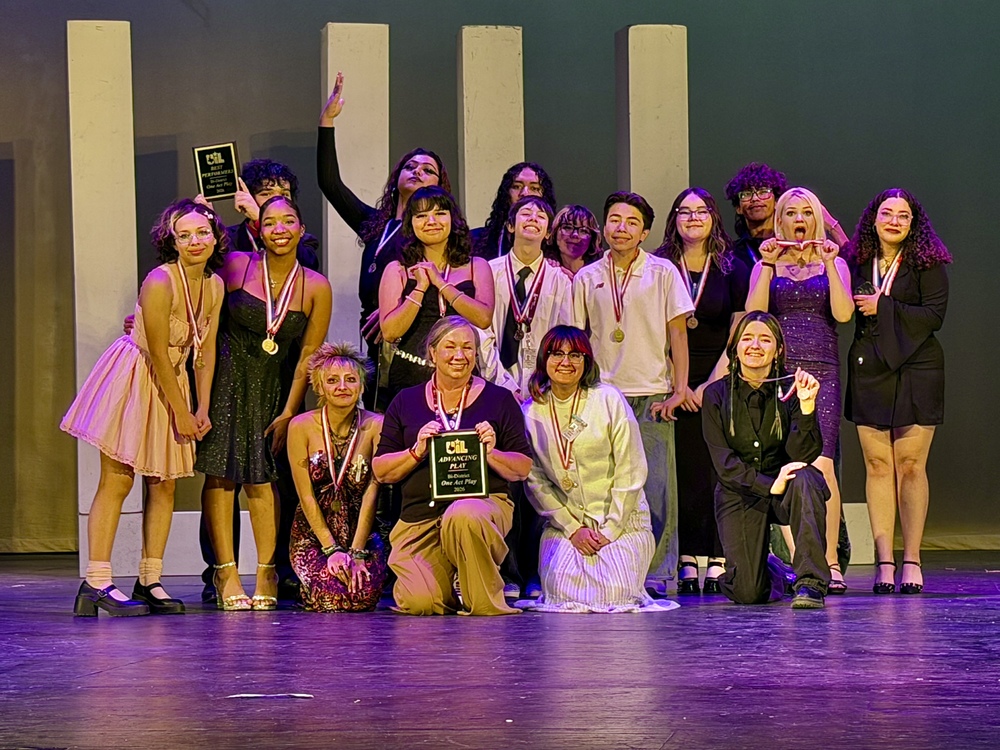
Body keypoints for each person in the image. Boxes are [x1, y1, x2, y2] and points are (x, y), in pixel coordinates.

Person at [62, 199, 226, 616]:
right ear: (171, 240)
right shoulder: (160, 280)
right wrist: (181, 412)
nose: (194, 241)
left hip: (175, 380)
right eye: (184, 235)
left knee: (164, 482)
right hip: (136, 376)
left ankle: (149, 579)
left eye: (201, 233)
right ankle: (96, 580)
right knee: (117, 478)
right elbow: (155, 350)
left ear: (215, 237)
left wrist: (202, 406)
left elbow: (204, 351)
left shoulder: (214, 286)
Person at [196, 195, 332, 611]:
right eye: (269, 222)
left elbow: (308, 355)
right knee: (220, 477)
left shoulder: (316, 286)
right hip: (224, 381)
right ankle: (225, 571)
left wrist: (291, 409)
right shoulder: (237, 264)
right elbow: (195, 302)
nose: (278, 229)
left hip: (273, 388)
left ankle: (266, 569)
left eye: (287, 220)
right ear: (259, 228)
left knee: (263, 478)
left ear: (301, 229)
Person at [572, 191, 694, 594]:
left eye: (630, 222)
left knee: (657, 487)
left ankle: (659, 572)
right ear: (604, 226)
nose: (620, 228)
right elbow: (578, 339)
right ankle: (613, 567)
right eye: (614, 220)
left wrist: (679, 390)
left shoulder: (662, 273)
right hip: (603, 396)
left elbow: (678, 335)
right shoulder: (586, 277)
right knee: (606, 488)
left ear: (644, 231)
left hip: (652, 394)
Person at [372, 316, 533, 615]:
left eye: (468, 348)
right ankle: (450, 578)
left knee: (464, 514)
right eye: (450, 347)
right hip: (421, 515)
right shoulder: (405, 401)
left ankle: (484, 601)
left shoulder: (500, 400)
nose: (459, 355)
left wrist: (491, 453)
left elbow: (522, 468)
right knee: (420, 603)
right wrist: (415, 451)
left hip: (480, 509)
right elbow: (381, 470)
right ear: (431, 353)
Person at [520, 326, 675, 613]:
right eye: (556, 354)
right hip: (567, 525)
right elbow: (536, 481)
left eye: (574, 355)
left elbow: (631, 469)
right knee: (564, 594)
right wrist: (572, 527)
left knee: (614, 593)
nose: (565, 362)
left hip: (620, 521)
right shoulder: (531, 411)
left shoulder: (608, 399)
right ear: (544, 360)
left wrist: (611, 528)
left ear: (586, 361)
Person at [317, 72, 451, 402]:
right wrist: (327, 122)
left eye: (428, 169)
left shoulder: (440, 233)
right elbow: (330, 185)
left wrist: (395, 308)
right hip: (377, 343)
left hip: (419, 340)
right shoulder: (375, 223)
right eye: (411, 166)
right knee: (383, 423)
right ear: (397, 178)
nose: (418, 171)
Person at [746, 186, 853, 593]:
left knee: (822, 464)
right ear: (781, 220)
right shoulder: (765, 265)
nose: (798, 219)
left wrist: (829, 264)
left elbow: (842, 314)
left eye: (806, 212)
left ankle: (828, 562)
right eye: (790, 212)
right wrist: (768, 265)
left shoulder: (835, 263)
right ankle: (800, 562)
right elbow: (756, 314)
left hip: (821, 371)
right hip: (779, 371)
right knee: (786, 464)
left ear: (817, 218)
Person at [846, 188, 951, 595]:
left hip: (918, 367)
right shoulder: (856, 260)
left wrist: (882, 304)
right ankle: (884, 560)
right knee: (877, 465)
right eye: (886, 213)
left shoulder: (928, 262)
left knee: (910, 465)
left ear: (913, 223)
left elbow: (934, 316)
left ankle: (912, 558)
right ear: (874, 218)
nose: (894, 220)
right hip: (869, 367)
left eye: (902, 215)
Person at [653, 188, 750, 594]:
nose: (693, 217)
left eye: (702, 211)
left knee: (717, 468)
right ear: (674, 218)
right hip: (673, 380)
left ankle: (719, 555)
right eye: (684, 211)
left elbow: (739, 328)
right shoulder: (658, 265)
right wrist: (682, 384)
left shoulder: (734, 265)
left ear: (714, 218)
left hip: (720, 377)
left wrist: (709, 384)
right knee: (686, 469)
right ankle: (688, 556)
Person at [702, 312, 831, 609]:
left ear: (778, 349)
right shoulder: (716, 395)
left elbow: (804, 455)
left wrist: (808, 407)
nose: (755, 345)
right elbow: (724, 463)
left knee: (806, 477)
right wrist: (768, 484)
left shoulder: (793, 390)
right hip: (742, 491)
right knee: (747, 593)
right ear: (734, 346)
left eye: (765, 339)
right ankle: (772, 569)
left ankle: (810, 583)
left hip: (788, 487)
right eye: (747, 338)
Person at [480, 196, 573, 599]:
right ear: (512, 225)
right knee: (505, 481)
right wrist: (503, 382)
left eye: (541, 216)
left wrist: (541, 381)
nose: (533, 220)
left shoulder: (559, 280)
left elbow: (565, 336)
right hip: (498, 390)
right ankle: (509, 572)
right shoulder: (490, 272)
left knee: (541, 479)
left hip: (541, 391)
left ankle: (536, 572)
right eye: (525, 214)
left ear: (548, 231)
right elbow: (482, 331)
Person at [287, 343, 388, 612]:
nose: (342, 386)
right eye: (332, 380)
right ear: (319, 388)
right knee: (332, 599)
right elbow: (305, 495)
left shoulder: (376, 425)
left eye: (350, 379)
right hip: (315, 533)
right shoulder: (300, 427)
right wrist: (331, 550)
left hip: (361, 533)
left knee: (361, 596)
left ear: (362, 386)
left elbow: (372, 492)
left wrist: (355, 552)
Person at [378, 186, 494, 405]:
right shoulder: (398, 269)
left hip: (462, 370)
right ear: (411, 224)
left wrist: (441, 283)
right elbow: (390, 332)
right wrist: (420, 287)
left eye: (440, 213)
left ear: (453, 218)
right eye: (421, 215)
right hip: (410, 374)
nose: (431, 221)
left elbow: (483, 318)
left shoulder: (477, 266)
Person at [724, 162, 848, 268]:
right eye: (746, 194)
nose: (755, 198)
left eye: (763, 192)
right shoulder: (731, 255)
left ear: (778, 202)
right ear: (738, 208)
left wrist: (831, 225)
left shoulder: (803, 245)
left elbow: (854, 268)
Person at [471, 162, 557, 259]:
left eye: (534, 188)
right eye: (516, 187)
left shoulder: (556, 248)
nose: (524, 193)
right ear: (506, 194)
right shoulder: (474, 241)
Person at [541, 204, 603, 278]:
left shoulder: (601, 272)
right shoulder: (545, 268)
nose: (575, 235)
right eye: (567, 228)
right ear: (554, 232)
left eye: (583, 231)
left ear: (592, 239)